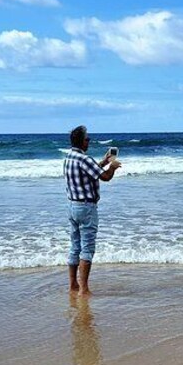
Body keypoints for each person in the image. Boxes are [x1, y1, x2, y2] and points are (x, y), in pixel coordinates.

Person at [64, 125, 121, 295]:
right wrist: (112, 167)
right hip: (87, 207)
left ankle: (73, 285)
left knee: (75, 247)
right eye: (87, 138)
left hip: (72, 206)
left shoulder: (69, 157)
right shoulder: (84, 159)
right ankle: (84, 289)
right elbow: (104, 177)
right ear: (81, 141)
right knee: (87, 248)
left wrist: (103, 162)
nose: (89, 140)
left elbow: (88, 171)